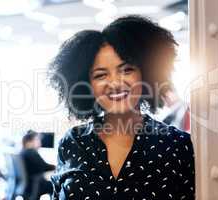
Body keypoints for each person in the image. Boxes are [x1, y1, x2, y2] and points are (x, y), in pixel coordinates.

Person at [48, 15, 195, 200]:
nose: (116, 83)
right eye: (101, 75)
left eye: (127, 70)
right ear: (87, 85)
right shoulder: (72, 143)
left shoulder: (177, 145)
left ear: (146, 73)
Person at [20, 130, 55, 200]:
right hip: (35, 185)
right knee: (56, 185)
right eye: (37, 139)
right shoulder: (31, 152)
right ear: (29, 141)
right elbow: (44, 167)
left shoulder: (23, 152)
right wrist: (57, 167)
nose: (40, 142)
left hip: (28, 186)